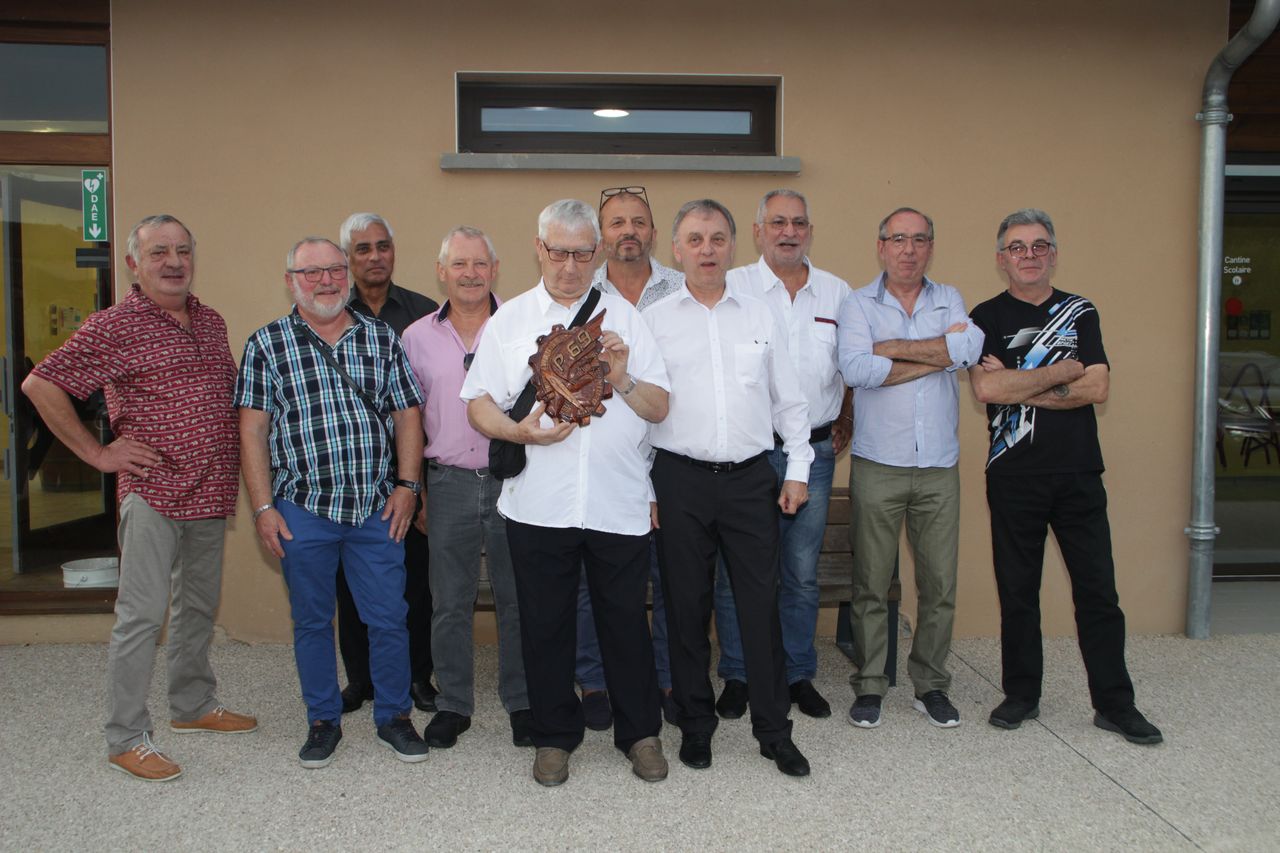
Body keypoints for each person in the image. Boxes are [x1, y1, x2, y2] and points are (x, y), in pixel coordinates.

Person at [22, 214, 255, 783]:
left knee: (196, 607)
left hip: (210, 491)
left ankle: (192, 704)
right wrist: (97, 453)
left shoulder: (210, 320)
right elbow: (40, 384)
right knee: (142, 616)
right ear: (134, 263)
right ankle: (125, 737)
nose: (173, 262)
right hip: (153, 492)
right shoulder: (114, 325)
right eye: (158, 252)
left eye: (182, 250)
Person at [968, 208, 1162, 745]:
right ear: (1001, 259)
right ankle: (1021, 695)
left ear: (1053, 254)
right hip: (1013, 474)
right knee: (1018, 592)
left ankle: (1115, 704)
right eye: (1017, 247)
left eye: (1038, 246)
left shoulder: (1081, 311)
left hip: (1078, 473)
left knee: (1098, 592)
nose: (1028, 256)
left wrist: (1019, 382)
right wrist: (1062, 373)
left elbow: (1097, 387)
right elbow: (986, 390)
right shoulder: (984, 316)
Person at [237, 237, 429, 768]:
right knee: (312, 621)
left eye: (334, 270)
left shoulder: (380, 338)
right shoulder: (267, 344)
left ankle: (394, 716)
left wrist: (408, 486)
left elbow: (407, 414)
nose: (325, 281)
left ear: (347, 274)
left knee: (389, 617)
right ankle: (322, 720)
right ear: (290, 281)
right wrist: (262, 508)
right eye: (311, 272)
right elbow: (252, 431)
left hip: (375, 508)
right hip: (301, 508)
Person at [645, 199, 814, 778]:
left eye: (717, 238)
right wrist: (645, 488)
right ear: (676, 250)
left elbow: (790, 400)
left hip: (750, 480)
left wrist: (797, 468)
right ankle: (696, 725)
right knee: (685, 608)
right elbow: (640, 413)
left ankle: (774, 731)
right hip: (679, 479)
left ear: (733, 246)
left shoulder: (760, 316)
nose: (707, 249)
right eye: (695, 239)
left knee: (759, 608)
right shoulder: (655, 321)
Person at [836, 207, 984, 730]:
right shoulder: (857, 303)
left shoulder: (949, 297)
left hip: (938, 466)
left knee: (939, 585)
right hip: (879, 463)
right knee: (871, 584)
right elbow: (856, 368)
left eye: (919, 239)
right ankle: (870, 685)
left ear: (931, 247)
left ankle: (931, 684)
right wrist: (938, 354)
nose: (909, 249)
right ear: (881, 247)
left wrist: (893, 350)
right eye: (898, 239)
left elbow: (969, 350)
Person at [712, 189, 853, 721]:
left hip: (812, 453)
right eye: (777, 222)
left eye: (798, 223)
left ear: (810, 231)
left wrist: (846, 416)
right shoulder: (734, 287)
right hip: (747, 456)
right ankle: (738, 674)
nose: (788, 232)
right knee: (736, 572)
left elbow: (852, 365)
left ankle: (797, 673)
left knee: (800, 572)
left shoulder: (838, 293)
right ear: (758, 232)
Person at [400, 226, 532, 749]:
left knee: (516, 598)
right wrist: (415, 486)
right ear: (442, 271)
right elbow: (408, 418)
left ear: (495, 269)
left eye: (480, 264)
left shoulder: (521, 327)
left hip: (512, 481)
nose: (470, 274)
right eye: (459, 264)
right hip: (447, 483)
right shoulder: (415, 338)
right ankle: (454, 704)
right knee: (448, 601)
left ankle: (522, 700)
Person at [573, 185, 685, 729]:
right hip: (606, 459)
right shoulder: (580, 294)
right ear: (601, 238)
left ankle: (665, 678)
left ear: (654, 233)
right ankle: (595, 681)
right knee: (592, 581)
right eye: (616, 223)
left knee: (669, 579)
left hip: (673, 454)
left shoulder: (683, 291)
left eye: (638, 222)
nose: (629, 232)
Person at [336, 213, 439, 716]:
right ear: (347, 259)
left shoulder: (423, 315)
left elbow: (435, 405)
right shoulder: (330, 314)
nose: (375, 257)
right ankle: (362, 679)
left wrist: (420, 484)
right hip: (352, 478)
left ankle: (418, 676)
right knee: (351, 585)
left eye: (383, 246)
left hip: (410, 476)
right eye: (363, 249)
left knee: (415, 584)